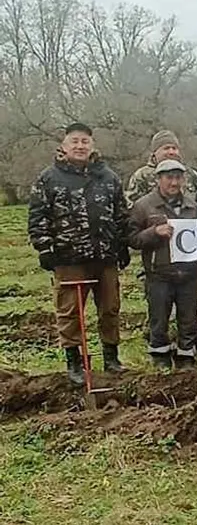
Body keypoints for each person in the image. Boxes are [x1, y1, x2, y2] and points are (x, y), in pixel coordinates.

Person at [28, 123, 130, 384]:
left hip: (105, 257)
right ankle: (74, 361)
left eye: (85, 141)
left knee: (110, 308)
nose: (80, 146)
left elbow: (121, 215)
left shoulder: (108, 177)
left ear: (92, 145)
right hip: (68, 257)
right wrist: (45, 248)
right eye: (75, 141)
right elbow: (38, 216)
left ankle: (111, 357)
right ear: (64, 146)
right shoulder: (49, 178)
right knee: (70, 311)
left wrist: (122, 246)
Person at [128, 159, 197, 369]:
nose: (174, 183)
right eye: (169, 177)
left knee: (189, 317)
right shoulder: (144, 206)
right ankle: (160, 356)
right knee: (159, 318)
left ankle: (186, 356)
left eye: (178, 177)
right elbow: (132, 239)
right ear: (158, 179)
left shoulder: (193, 206)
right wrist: (153, 232)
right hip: (159, 274)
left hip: (189, 274)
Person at [126, 129, 197, 207]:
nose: (171, 152)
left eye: (174, 148)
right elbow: (131, 207)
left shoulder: (192, 175)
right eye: (166, 148)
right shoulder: (142, 176)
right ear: (155, 152)